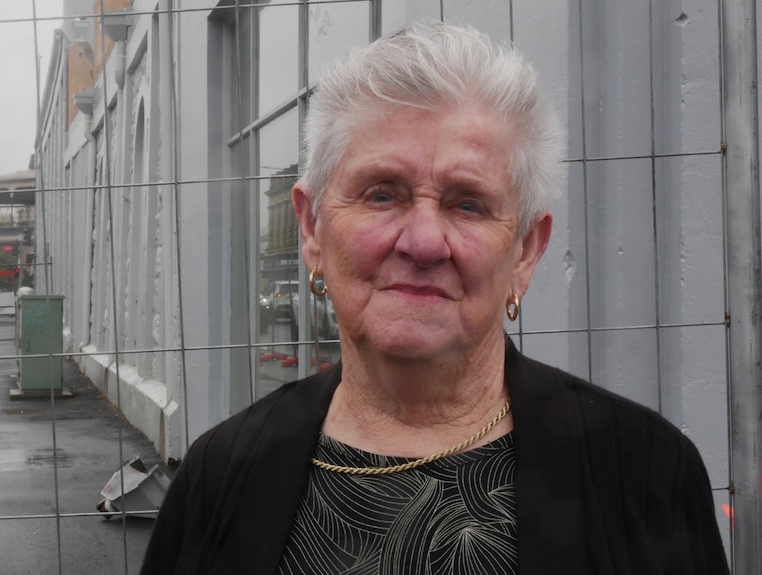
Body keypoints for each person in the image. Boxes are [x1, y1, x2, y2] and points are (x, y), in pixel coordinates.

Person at [141, 22, 729, 574]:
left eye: (468, 204)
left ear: (525, 251)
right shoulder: (219, 476)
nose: (423, 243)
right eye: (381, 195)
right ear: (313, 228)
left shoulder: (645, 474)